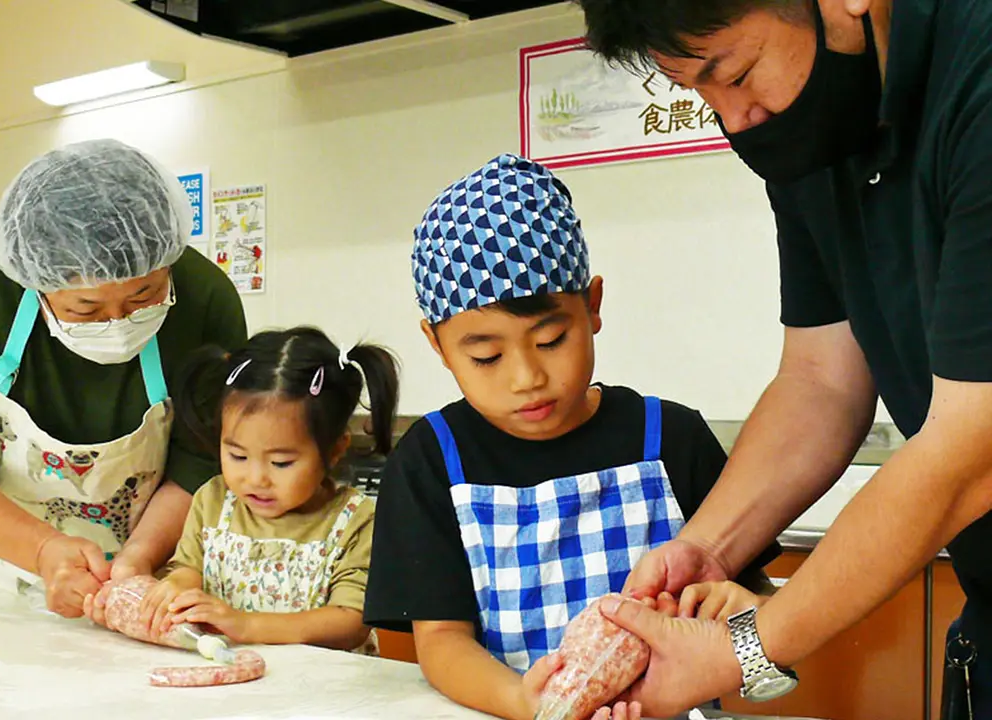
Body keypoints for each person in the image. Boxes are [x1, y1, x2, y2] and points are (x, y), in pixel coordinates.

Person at [573, 0, 992, 717]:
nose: (734, 118)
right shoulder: (820, 129)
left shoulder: (978, 76)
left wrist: (743, 647)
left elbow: (972, 452)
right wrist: (706, 546)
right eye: (699, 94)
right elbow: (820, 381)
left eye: (734, 73)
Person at [363, 153, 777, 720]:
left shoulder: (669, 437)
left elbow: (756, 604)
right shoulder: (433, 460)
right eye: (486, 356)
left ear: (593, 308)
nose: (527, 378)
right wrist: (525, 700)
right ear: (437, 345)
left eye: (552, 339)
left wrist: (743, 618)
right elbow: (441, 642)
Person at [0, 138, 246, 620]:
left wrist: (139, 560)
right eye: (86, 308)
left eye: (144, 296)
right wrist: (45, 551)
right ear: (34, 280)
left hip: (150, 592)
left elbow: (201, 462)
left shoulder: (204, 297)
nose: (117, 321)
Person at [135, 327, 398, 653]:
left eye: (281, 463)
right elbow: (190, 567)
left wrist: (247, 625)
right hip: (231, 679)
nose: (256, 478)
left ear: (334, 450)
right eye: (238, 456)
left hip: (323, 691)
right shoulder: (214, 500)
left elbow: (349, 622)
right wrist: (176, 587)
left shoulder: (357, 521)